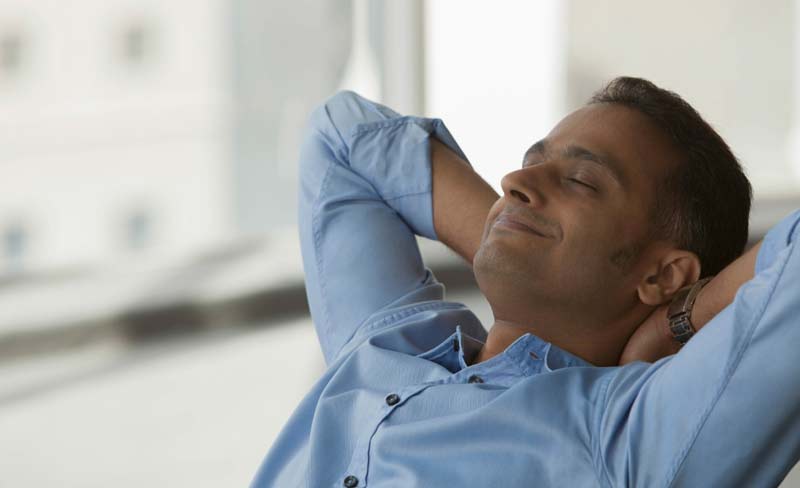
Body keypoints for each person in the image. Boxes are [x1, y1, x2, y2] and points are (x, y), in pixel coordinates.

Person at [250, 77, 800, 487]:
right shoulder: (390, 341)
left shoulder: (633, 438)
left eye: (581, 180)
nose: (514, 181)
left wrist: (683, 316)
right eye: (529, 163)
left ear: (661, 273)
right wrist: (510, 229)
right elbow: (342, 136)